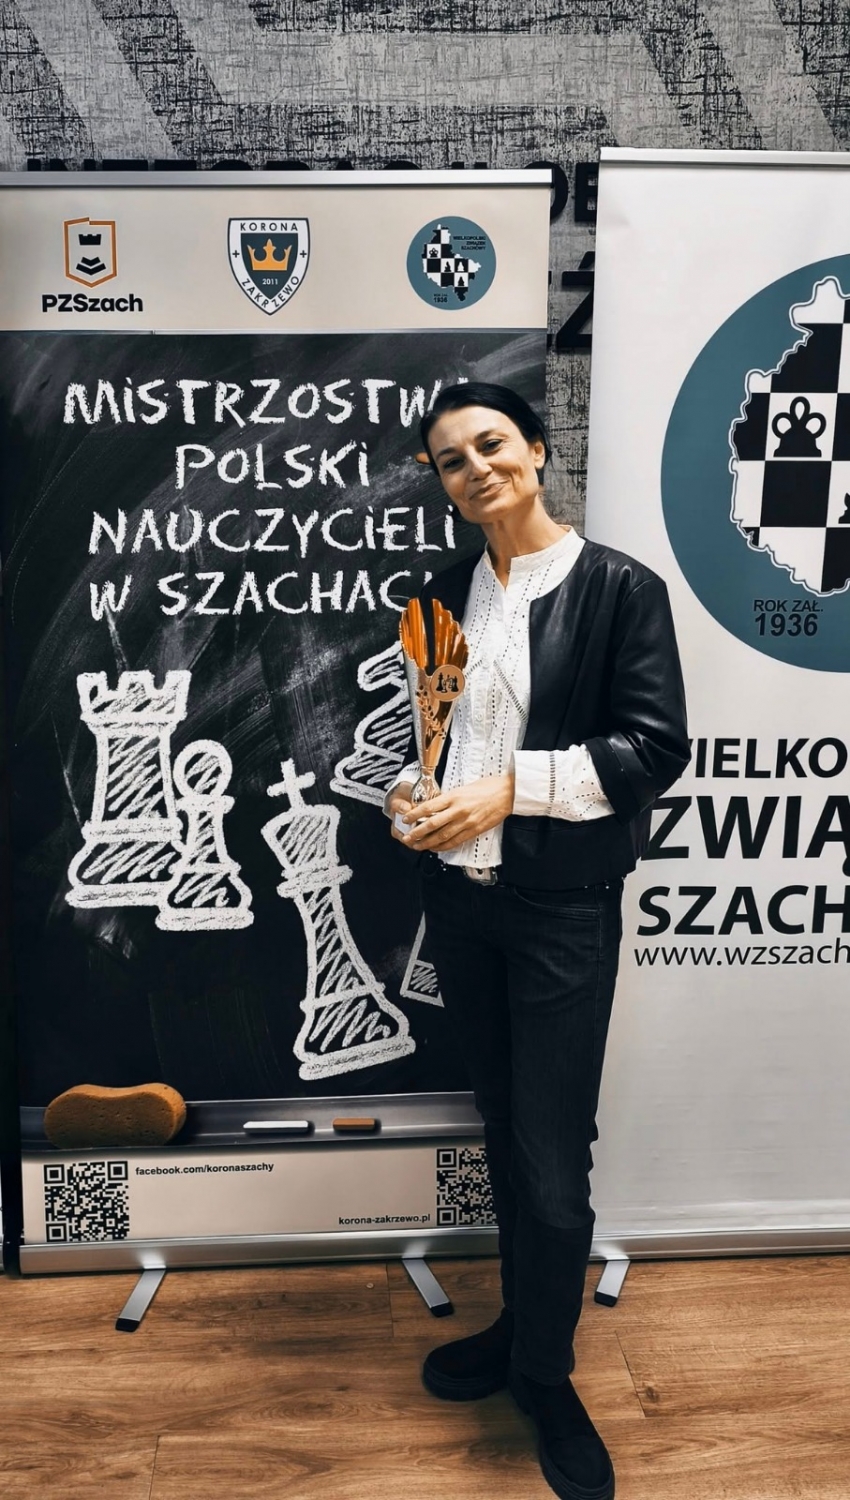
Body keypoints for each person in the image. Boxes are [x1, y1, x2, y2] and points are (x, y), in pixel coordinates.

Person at [386, 382, 690, 1500]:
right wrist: (414, 795)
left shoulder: (618, 589)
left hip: (563, 911)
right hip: (462, 907)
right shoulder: (437, 595)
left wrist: (509, 790)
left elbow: (654, 750)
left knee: (553, 1164)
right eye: (450, 459)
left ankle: (549, 1381)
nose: (475, 468)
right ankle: (522, 1332)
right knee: (505, 1137)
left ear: (537, 450)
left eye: (491, 444)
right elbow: (439, 737)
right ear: (442, 484)